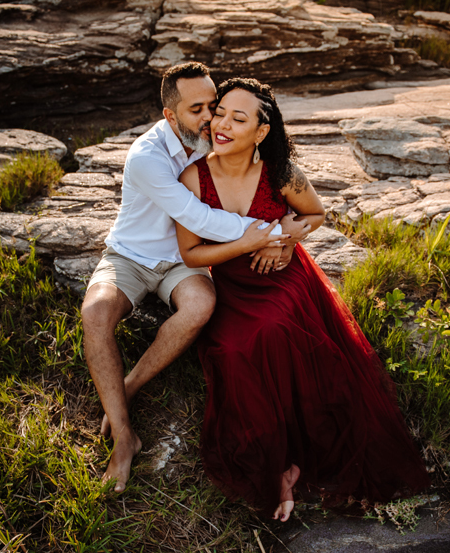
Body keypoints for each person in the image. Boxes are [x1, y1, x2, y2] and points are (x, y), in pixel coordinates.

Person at [176, 78, 431, 521]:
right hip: (235, 285)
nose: (222, 124)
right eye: (220, 113)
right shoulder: (193, 178)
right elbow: (191, 252)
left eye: (239, 118)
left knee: (276, 331)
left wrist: (287, 240)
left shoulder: (280, 172)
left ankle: (292, 464)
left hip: (283, 278)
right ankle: (277, 465)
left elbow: (316, 213)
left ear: (261, 132)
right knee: (232, 352)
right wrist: (252, 241)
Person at [81, 63, 311, 493]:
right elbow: (195, 215)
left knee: (201, 306)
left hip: (184, 262)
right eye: (197, 110)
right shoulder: (148, 156)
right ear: (170, 116)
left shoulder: (214, 139)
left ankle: (129, 386)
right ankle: (126, 440)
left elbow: (259, 179)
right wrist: (269, 236)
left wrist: (283, 229)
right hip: (130, 255)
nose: (211, 118)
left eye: (214, 105)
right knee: (95, 314)